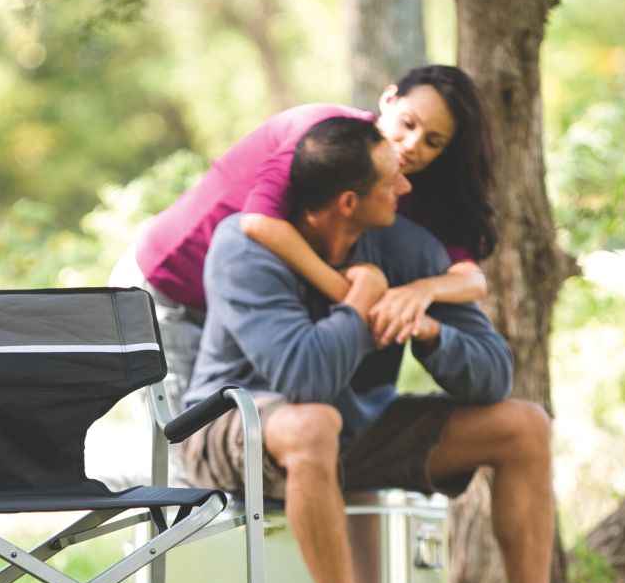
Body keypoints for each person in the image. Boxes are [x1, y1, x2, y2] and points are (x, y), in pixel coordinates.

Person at [179, 116, 573, 583]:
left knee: (524, 426)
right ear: (348, 202)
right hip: (230, 425)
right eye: (391, 182)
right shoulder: (243, 249)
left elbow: (493, 376)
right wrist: (361, 302)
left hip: (351, 430)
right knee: (313, 422)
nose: (407, 187)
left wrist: (431, 331)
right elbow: (304, 379)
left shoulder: (406, 246)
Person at [114, 65, 496, 413]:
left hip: (244, 309)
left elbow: (472, 279)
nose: (412, 144)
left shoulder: (400, 187)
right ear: (389, 99)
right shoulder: (323, 135)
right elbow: (259, 221)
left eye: (433, 142)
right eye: (408, 123)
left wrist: (421, 292)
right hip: (169, 286)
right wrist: (358, 297)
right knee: (187, 444)